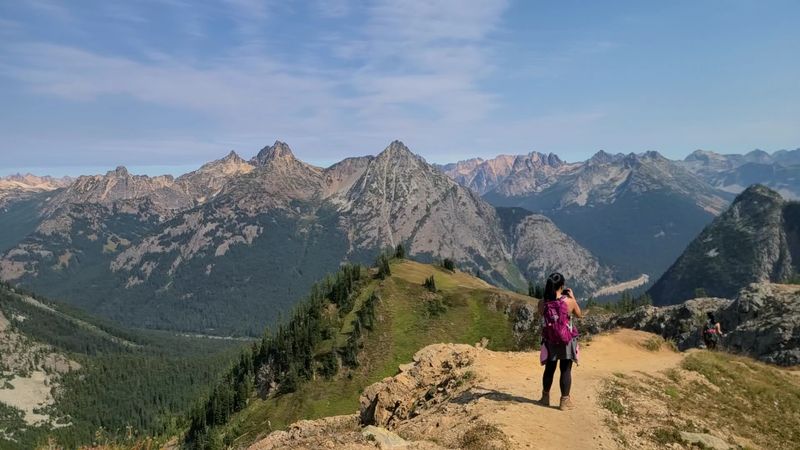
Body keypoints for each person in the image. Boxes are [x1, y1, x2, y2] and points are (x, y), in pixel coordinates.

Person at [537, 272, 582, 410]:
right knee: (565, 370)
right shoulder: (569, 302)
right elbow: (579, 315)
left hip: (550, 339)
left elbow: (541, 314)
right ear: (562, 286)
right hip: (566, 340)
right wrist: (573, 298)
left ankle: (545, 397)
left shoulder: (543, 302)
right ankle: (564, 401)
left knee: (549, 369)